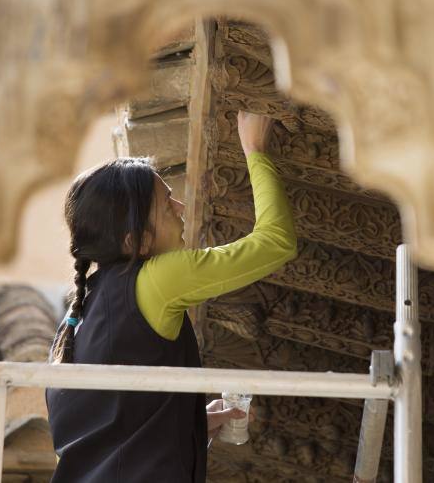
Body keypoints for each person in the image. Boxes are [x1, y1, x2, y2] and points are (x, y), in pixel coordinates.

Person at [45, 111, 297, 482]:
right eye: (167, 206)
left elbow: (113, 431)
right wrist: (254, 148)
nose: (180, 209)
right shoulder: (155, 279)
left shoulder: (76, 320)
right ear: (137, 242)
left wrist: (189, 422)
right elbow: (276, 243)